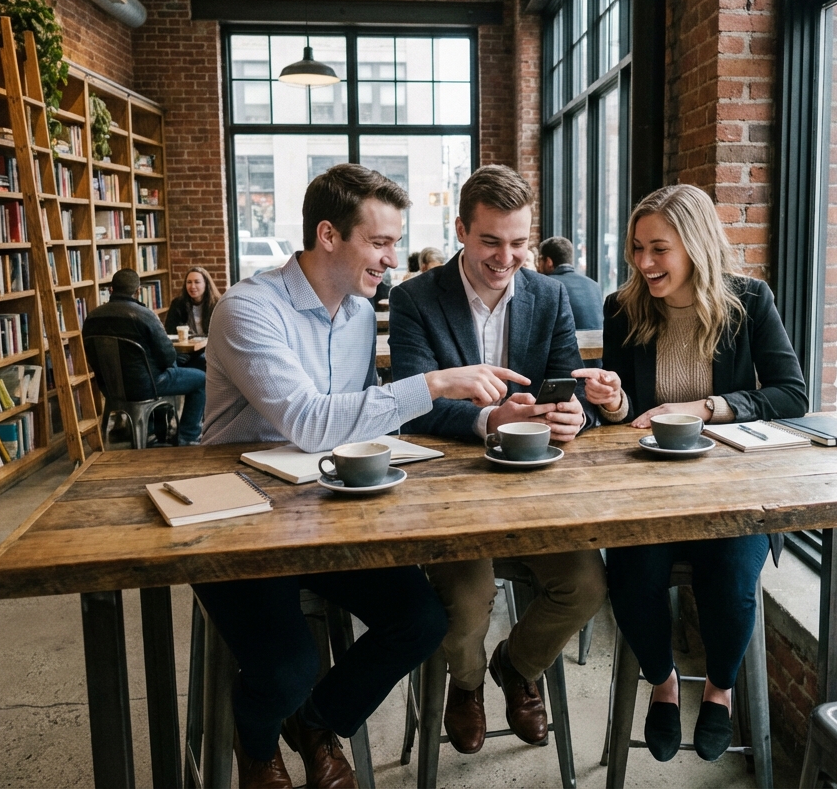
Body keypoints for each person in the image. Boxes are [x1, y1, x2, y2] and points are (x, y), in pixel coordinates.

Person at [201, 163, 527, 789]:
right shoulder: (247, 308)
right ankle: (256, 737)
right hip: (241, 515)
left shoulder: (355, 312)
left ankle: (317, 723)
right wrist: (432, 384)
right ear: (329, 235)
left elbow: (357, 414)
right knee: (292, 664)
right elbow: (308, 421)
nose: (391, 257)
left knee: (423, 620)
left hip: (325, 506)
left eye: (394, 242)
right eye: (379, 242)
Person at [574, 184, 807, 764]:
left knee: (729, 577)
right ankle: (664, 682)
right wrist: (610, 401)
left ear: (696, 246)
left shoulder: (749, 301)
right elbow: (626, 414)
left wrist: (704, 408)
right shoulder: (622, 308)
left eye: (659, 249)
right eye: (636, 248)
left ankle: (721, 690)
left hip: (729, 488)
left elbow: (791, 393)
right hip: (649, 487)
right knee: (631, 574)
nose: (644, 263)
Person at [388, 164, 605, 757]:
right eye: (490, 241)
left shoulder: (550, 294)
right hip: (448, 492)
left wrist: (575, 415)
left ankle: (517, 665)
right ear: (461, 229)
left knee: (586, 584)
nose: (506, 257)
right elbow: (410, 406)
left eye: (518, 242)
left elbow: (572, 387)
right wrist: (490, 420)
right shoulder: (413, 299)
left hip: (534, 488)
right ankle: (466, 683)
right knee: (465, 600)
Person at [82, 268, 205, 445]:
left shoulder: (92, 318)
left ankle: (154, 431)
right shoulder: (144, 315)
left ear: (111, 290)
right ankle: (187, 436)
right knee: (201, 379)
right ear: (138, 291)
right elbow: (168, 356)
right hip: (147, 386)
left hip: (109, 387)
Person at [539, 236, 604, 331]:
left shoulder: (546, 285)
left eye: (540, 259)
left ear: (549, 262)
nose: (538, 265)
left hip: (568, 345)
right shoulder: (594, 285)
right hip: (598, 344)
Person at [165, 266, 221, 370]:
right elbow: (170, 331)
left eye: (197, 282)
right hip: (185, 351)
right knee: (173, 363)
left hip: (208, 350)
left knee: (202, 361)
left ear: (206, 284)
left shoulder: (217, 304)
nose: (192, 286)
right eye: (189, 282)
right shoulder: (178, 304)